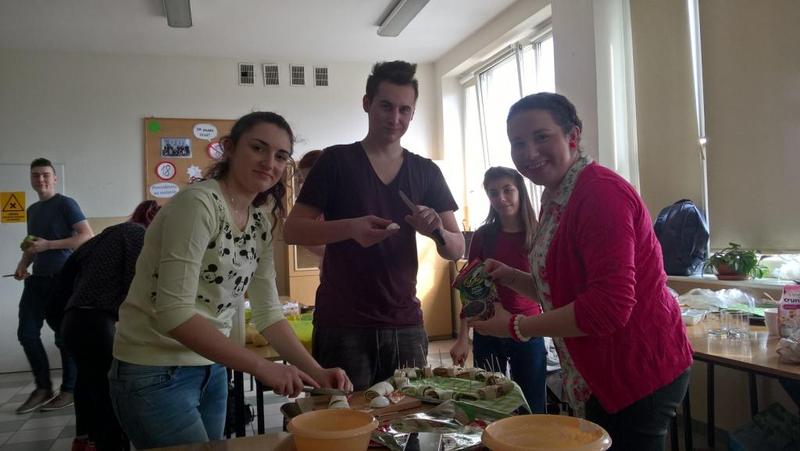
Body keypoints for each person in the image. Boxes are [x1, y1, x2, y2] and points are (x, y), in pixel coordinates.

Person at [108, 112, 352, 449]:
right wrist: (261, 367)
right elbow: (173, 312)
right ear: (230, 148)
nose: (269, 162)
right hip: (154, 370)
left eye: (281, 156)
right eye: (258, 148)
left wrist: (317, 371)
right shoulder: (198, 205)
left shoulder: (260, 221)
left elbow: (269, 314)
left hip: (212, 368)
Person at [471, 93, 693, 450]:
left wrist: (516, 326)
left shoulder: (601, 194)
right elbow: (563, 289)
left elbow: (607, 307)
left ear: (572, 136)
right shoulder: (557, 195)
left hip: (634, 370)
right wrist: (511, 276)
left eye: (541, 137)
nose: (528, 152)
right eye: (518, 143)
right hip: (598, 371)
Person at [284, 61, 465, 390]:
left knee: (406, 417)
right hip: (342, 324)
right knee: (343, 418)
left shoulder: (426, 171)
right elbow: (292, 230)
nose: (395, 118)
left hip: (405, 324)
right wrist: (351, 228)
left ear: (413, 113)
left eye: (404, 110)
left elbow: (457, 249)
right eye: (385, 106)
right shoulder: (335, 161)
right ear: (367, 103)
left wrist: (436, 230)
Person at [57, 200, 160, 451]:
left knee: (89, 384)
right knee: (109, 397)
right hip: (97, 323)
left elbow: (68, 272)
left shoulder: (106, 236)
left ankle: (85, 440)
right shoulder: (137, 234)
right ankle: (110, 444)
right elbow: (136, 284)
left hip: (73, 320)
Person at [449, 166, 546, 413]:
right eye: (493, 193)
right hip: (488, 330)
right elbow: (469, 290)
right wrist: (462, 338)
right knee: (489, 406)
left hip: (528, 329)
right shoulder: (483, 235)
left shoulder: (539, 233)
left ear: (520, 191)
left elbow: (548, 287)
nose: (501, 198)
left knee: (532, 406)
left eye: (507, 190)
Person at [13, 158, 94, 414]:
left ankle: (69, 389)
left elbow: (86, 236)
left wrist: (48, 245)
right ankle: (43, 388)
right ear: (31, 178)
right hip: (37, 279)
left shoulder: (66, 204)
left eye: (46, 175)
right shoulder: (32, 210)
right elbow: (32, 244)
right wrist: (23, 264)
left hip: (63, 279)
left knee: (63, 337)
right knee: (27, 334)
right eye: (36, 175)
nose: (41, 179)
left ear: (55, 178)